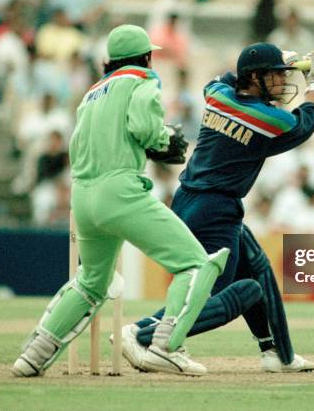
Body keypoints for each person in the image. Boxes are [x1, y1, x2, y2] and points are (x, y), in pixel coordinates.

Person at [12, 24, 230, 377]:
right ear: (146, 57)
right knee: (195, 264)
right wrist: (162, 140)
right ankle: (165, 346)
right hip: (121, 191)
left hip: (83, 196)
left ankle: (33, 356)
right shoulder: (142, 80)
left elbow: (77, 145)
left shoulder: (91, 93)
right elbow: (144, 127)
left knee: (91, 282)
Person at [119, 42, 314, 373]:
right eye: (275, 76)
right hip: (215, 210)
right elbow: (306, 121)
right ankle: (140, 333)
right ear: (254, 78)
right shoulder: (266, 118)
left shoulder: (217, 93)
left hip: (189, 198)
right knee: (209, 293)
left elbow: (224, 78)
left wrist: (281, 62)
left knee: (256, 267)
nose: (283, 82)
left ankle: (277, 353)